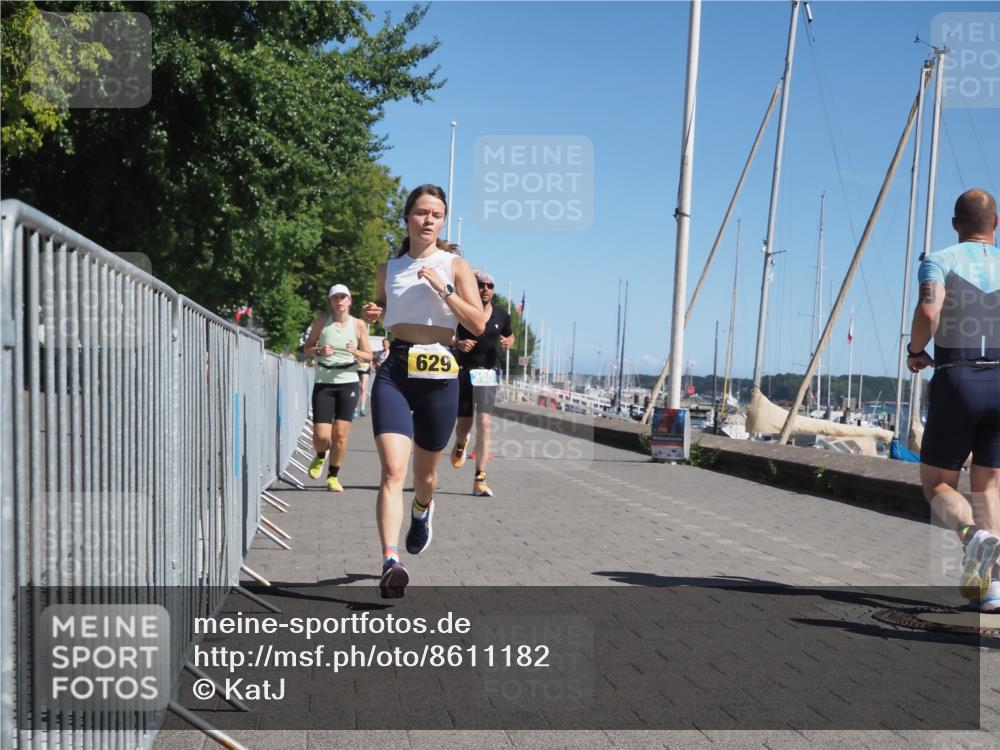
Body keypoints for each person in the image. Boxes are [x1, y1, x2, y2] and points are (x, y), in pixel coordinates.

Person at [363, 185, 486, 598]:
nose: (428, 219)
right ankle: (390, 561)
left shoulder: (454, 265)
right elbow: (381, 306)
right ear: (407, 219)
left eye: (436, 214)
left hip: (440, 376)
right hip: (396, 371)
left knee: (425, 476)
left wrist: (443, 289)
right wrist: (374, 311)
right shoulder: (389, 268)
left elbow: (477, 325)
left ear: (442, 221)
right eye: (421, 212)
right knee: (393, 472)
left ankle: (422, 510)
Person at [907, 188, 1000, 612]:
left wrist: (915, 350)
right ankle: (991, 586)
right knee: (989, 485)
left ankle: (972, 538)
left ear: (955, 223)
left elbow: (929, 312)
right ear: (995, 224)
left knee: (938, 483)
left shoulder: (940, 260)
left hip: (958, 376)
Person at [450, 269, 515, 496]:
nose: (485, 289)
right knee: (463, 427)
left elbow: (510, 334)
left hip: (487, 373)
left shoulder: (502, 316)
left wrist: (509, 341)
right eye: (480, 285)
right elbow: (447, 335)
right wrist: (458, 343)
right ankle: (460, 444)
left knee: (485, 424)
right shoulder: (462, 312)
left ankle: (480, 478)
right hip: (464, 372)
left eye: (489, 286)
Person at [302, 285, 373, 492]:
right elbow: (307, 348)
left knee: (340, 434)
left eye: (343, 297)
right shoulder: (322, 322)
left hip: (348, 380)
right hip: (324, 381)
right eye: (335, 298)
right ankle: (321, 454)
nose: (339, 301)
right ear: (331, 302)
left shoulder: (359, 325)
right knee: (322, 436)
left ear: (350, 301)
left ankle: (333, 476)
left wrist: (356, 351)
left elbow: (369, 355)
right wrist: (319, 350)